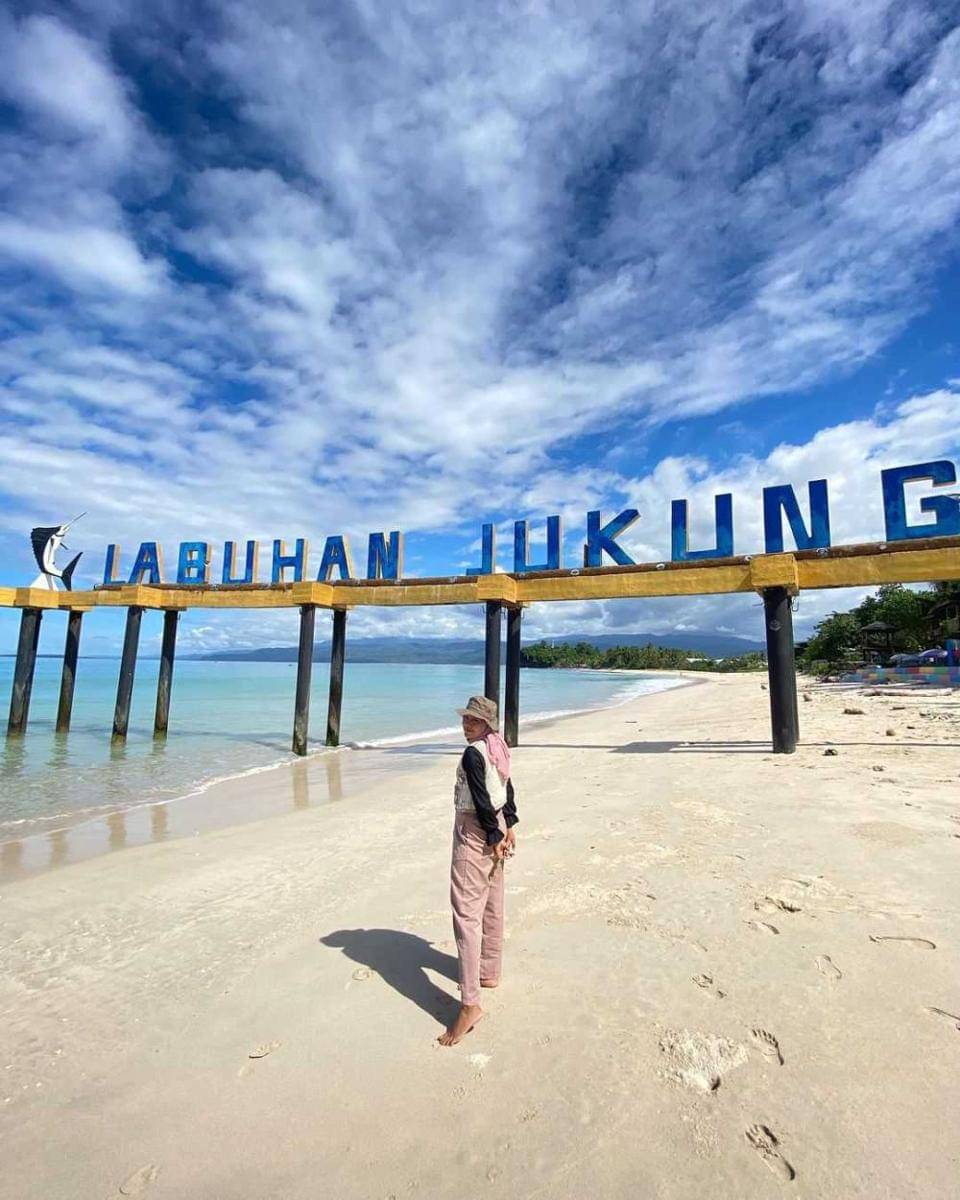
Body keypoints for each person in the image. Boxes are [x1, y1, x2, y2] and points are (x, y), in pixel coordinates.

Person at [438, 695, 519, 1047]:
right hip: (495, 824)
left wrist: (493, 835)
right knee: (492, 903)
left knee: (466, 914)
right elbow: (506, 786)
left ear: (487, 723)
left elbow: (482, 797)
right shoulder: (497, 746)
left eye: (473, 720)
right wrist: (508, 824)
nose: (466, 724)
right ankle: (489, 971)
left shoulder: (474, 753)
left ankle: (470, 1004)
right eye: (465, 718)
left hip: (476, 830)